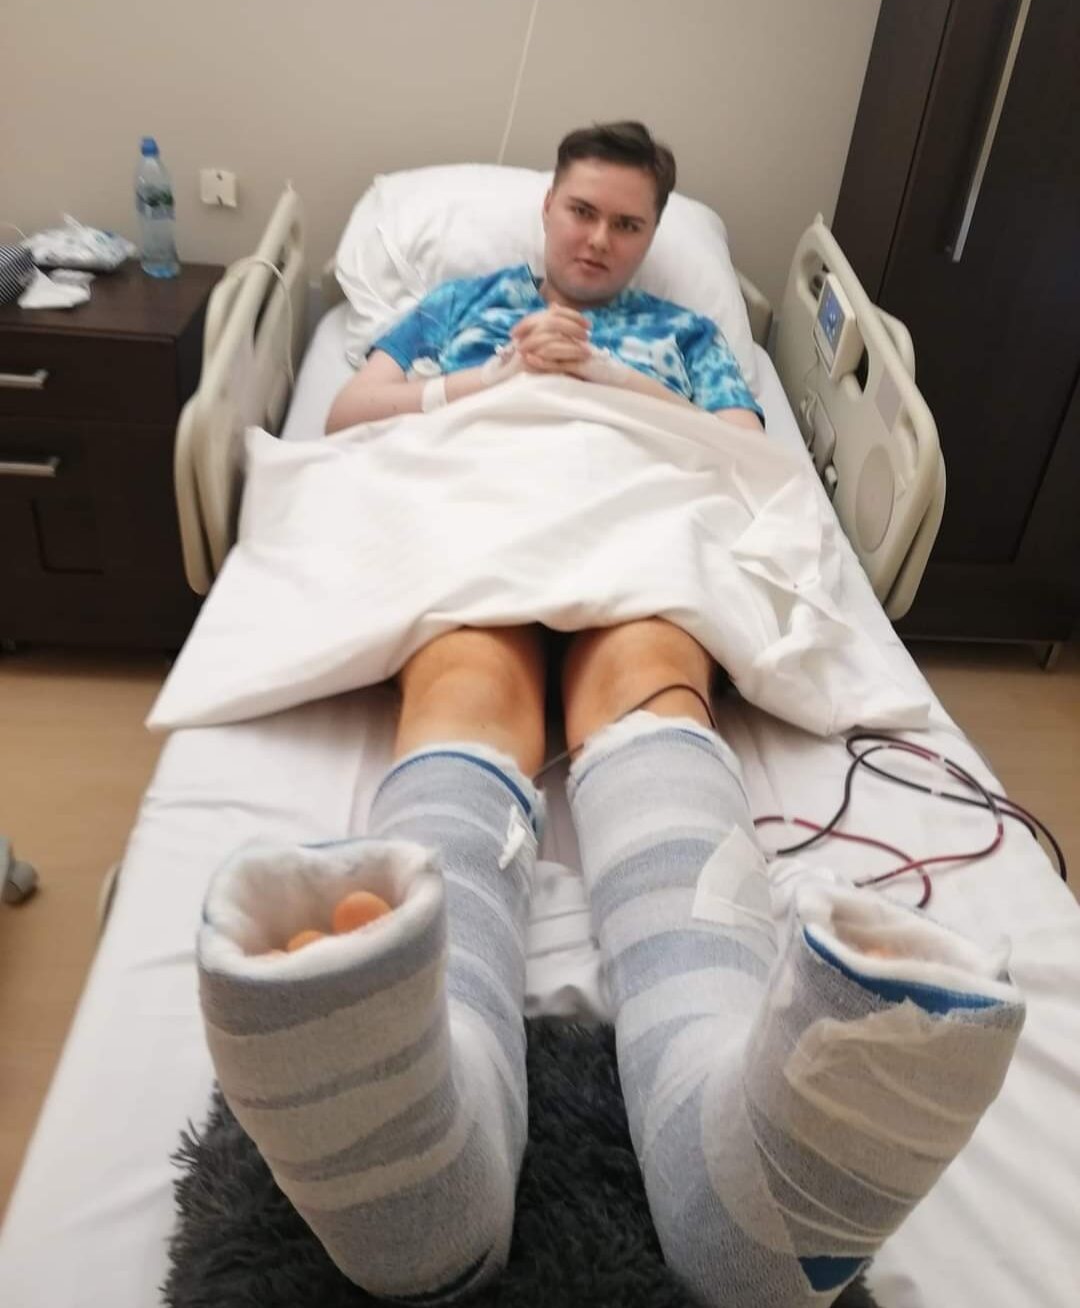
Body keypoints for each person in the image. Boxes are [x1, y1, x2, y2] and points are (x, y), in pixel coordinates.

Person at [198, 123, 1024, 1308]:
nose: (599, 238)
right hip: (470, 492)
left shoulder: (684, 335)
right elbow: (352, 411)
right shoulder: (463, 303)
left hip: (635, 504)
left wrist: (605, 380)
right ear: (548, 208)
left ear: (651, 237)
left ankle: (628, 1184)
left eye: (628, 224)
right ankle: (525, 1163)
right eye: (583, 211)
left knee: (647, 674)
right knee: (466, 680)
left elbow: (746, 451)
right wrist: (498, 378)